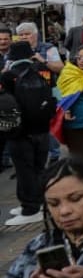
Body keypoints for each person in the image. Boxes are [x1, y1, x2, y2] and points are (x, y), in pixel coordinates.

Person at [1, 41, 55, 226]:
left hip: (20, 132)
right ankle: (40, 202)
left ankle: (30, 208)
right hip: (43, 129)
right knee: (39, 168)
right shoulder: (43, 71)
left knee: (24, 170)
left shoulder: (8, 76)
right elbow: (52, 92)